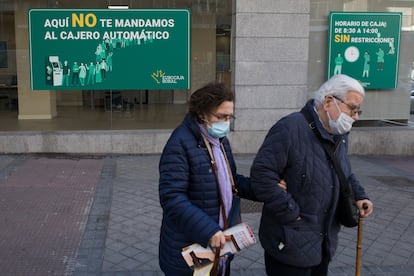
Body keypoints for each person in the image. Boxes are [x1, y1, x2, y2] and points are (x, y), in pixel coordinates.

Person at [250, 74, 374, 276]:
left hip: (323, 243)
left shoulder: (339, 134)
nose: (356, 116)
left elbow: (344, 170)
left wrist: (360, 195)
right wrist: (292, 213)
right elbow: (262, 175)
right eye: (352, 108)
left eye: (358, 110)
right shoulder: (290, 128)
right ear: (328, 102)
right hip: (289, 242)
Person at [158, 82, 256, 275]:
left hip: (220, 246)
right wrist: (209, 230)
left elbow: (231, 180)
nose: (226, 122)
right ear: (201, 113)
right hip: (191, 249)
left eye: (229, 117)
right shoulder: (179, 143)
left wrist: (264, 188)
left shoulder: (219, 141)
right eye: (221, 116)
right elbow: (172, 197)